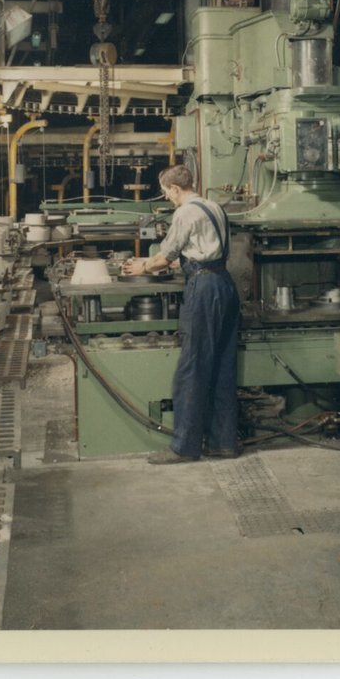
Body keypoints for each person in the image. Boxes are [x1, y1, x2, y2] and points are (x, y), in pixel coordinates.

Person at [122, 164, 241, 464]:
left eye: (166, 193)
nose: (168, 198)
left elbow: (165, 256)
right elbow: (204, 251)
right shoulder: (214, 206)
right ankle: (223, 443)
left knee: (192, 367)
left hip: (203, 290)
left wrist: (143, 266)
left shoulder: (185, 212)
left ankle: (184, 448)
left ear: (176, 188)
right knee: (222, 368)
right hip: (225, 285)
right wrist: (178, 264)